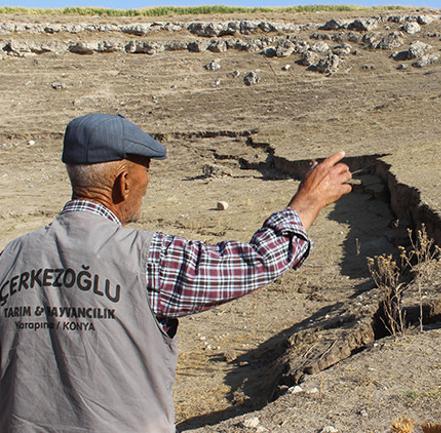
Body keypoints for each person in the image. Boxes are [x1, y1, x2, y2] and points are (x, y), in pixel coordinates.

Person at [0, 113, 352, 433]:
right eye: (145, 172)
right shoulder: (146, 257)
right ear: (123, 182)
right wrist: (306, 203)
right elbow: (256, 261)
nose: (146, 184)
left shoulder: (11, 256)